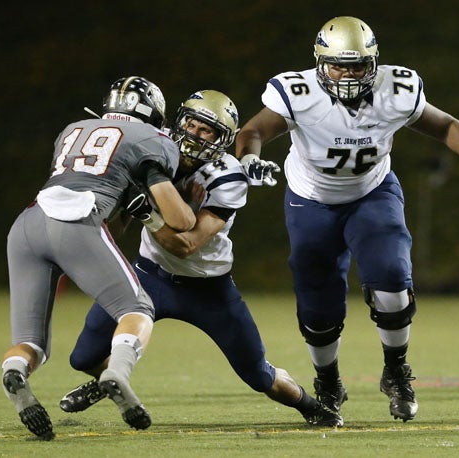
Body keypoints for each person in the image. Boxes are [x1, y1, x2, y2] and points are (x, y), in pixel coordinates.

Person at [234, 16, 459, 422]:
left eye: (358, 65)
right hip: (312, 200)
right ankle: (328, 380)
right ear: (320, 62)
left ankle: (395, 371)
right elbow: (253, 130)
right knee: (318, 309)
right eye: (340, 65)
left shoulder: (397, 88)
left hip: (372, 192)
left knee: (392, 279)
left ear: (374, 62)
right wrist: (250, 159)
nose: (350, 74)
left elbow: (442, 125)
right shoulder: (297, 91)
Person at [58, 90, 344, 428]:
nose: (194, 134)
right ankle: (106, 382)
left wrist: (147, 210)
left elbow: (187, 244)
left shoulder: (228, 176)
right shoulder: (156, 149)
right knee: (83, 357)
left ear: (221, 139)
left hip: (208, 290)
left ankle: (312, 407)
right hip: (149, 275)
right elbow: (117, 221)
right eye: (190, 124)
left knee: (259, 374)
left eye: (205, 130)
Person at [1, 76, 197, 440]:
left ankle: (14, 369)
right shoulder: (154, 141)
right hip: (74, 224)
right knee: (137, 309)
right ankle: (117, 373)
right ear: (154, 113)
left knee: (33, 343)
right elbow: (180, 221)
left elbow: (106, 210)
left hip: (26, 226)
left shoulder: (73, 129)